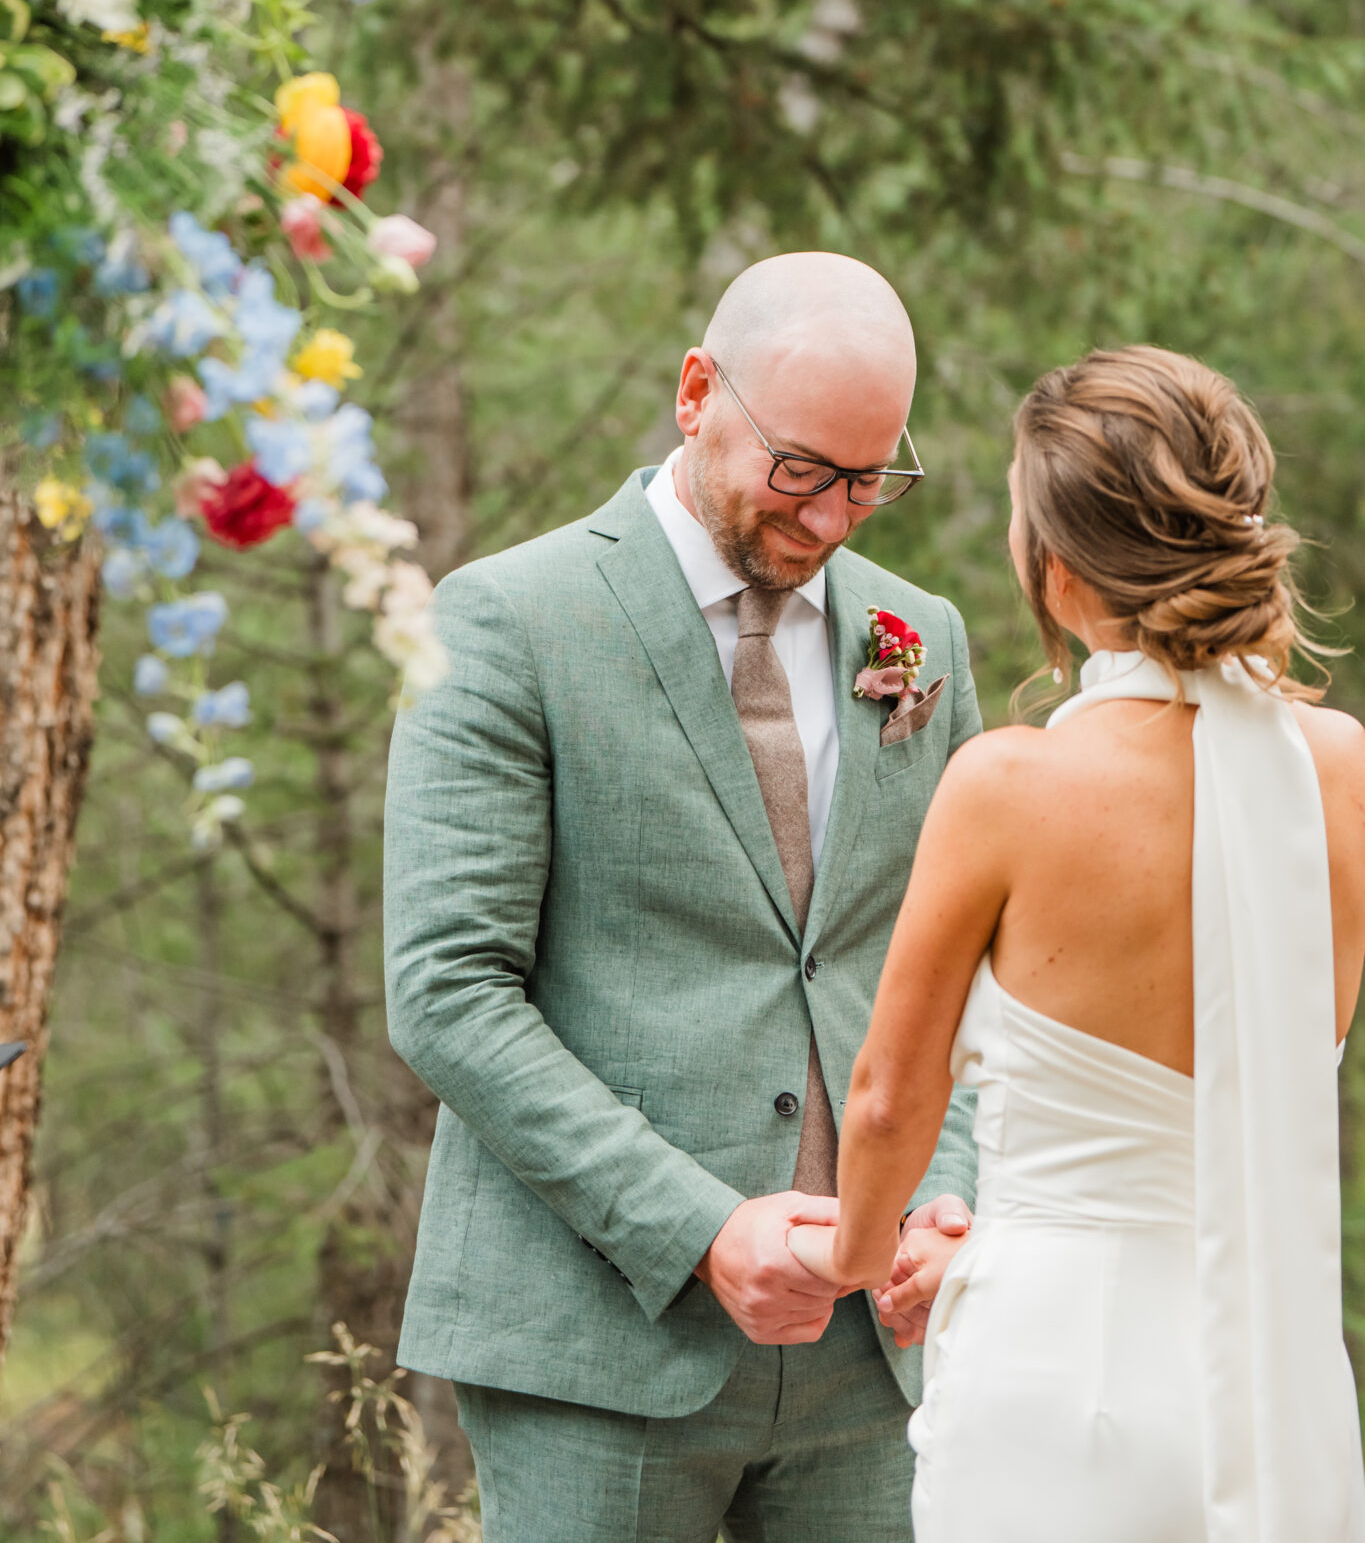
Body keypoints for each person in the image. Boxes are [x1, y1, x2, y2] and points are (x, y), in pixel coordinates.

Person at [384, 252, 980, 1541]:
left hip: (870, 1365)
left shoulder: (920, 637)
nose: (831, 519)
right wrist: (703, 1229)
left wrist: (948, 1199)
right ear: (696, 392)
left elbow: (967, 977)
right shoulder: (505, 618)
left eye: (871, 477)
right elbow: (447, 991)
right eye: (803, 469)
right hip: (601, 1342)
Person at [791, 344, 1365, 1542]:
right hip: (1269, 1376)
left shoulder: (1009, 781)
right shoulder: (1345, 771)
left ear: (1055, 573)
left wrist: (855, 1254)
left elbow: (892, 1097)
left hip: (1053, 1372)